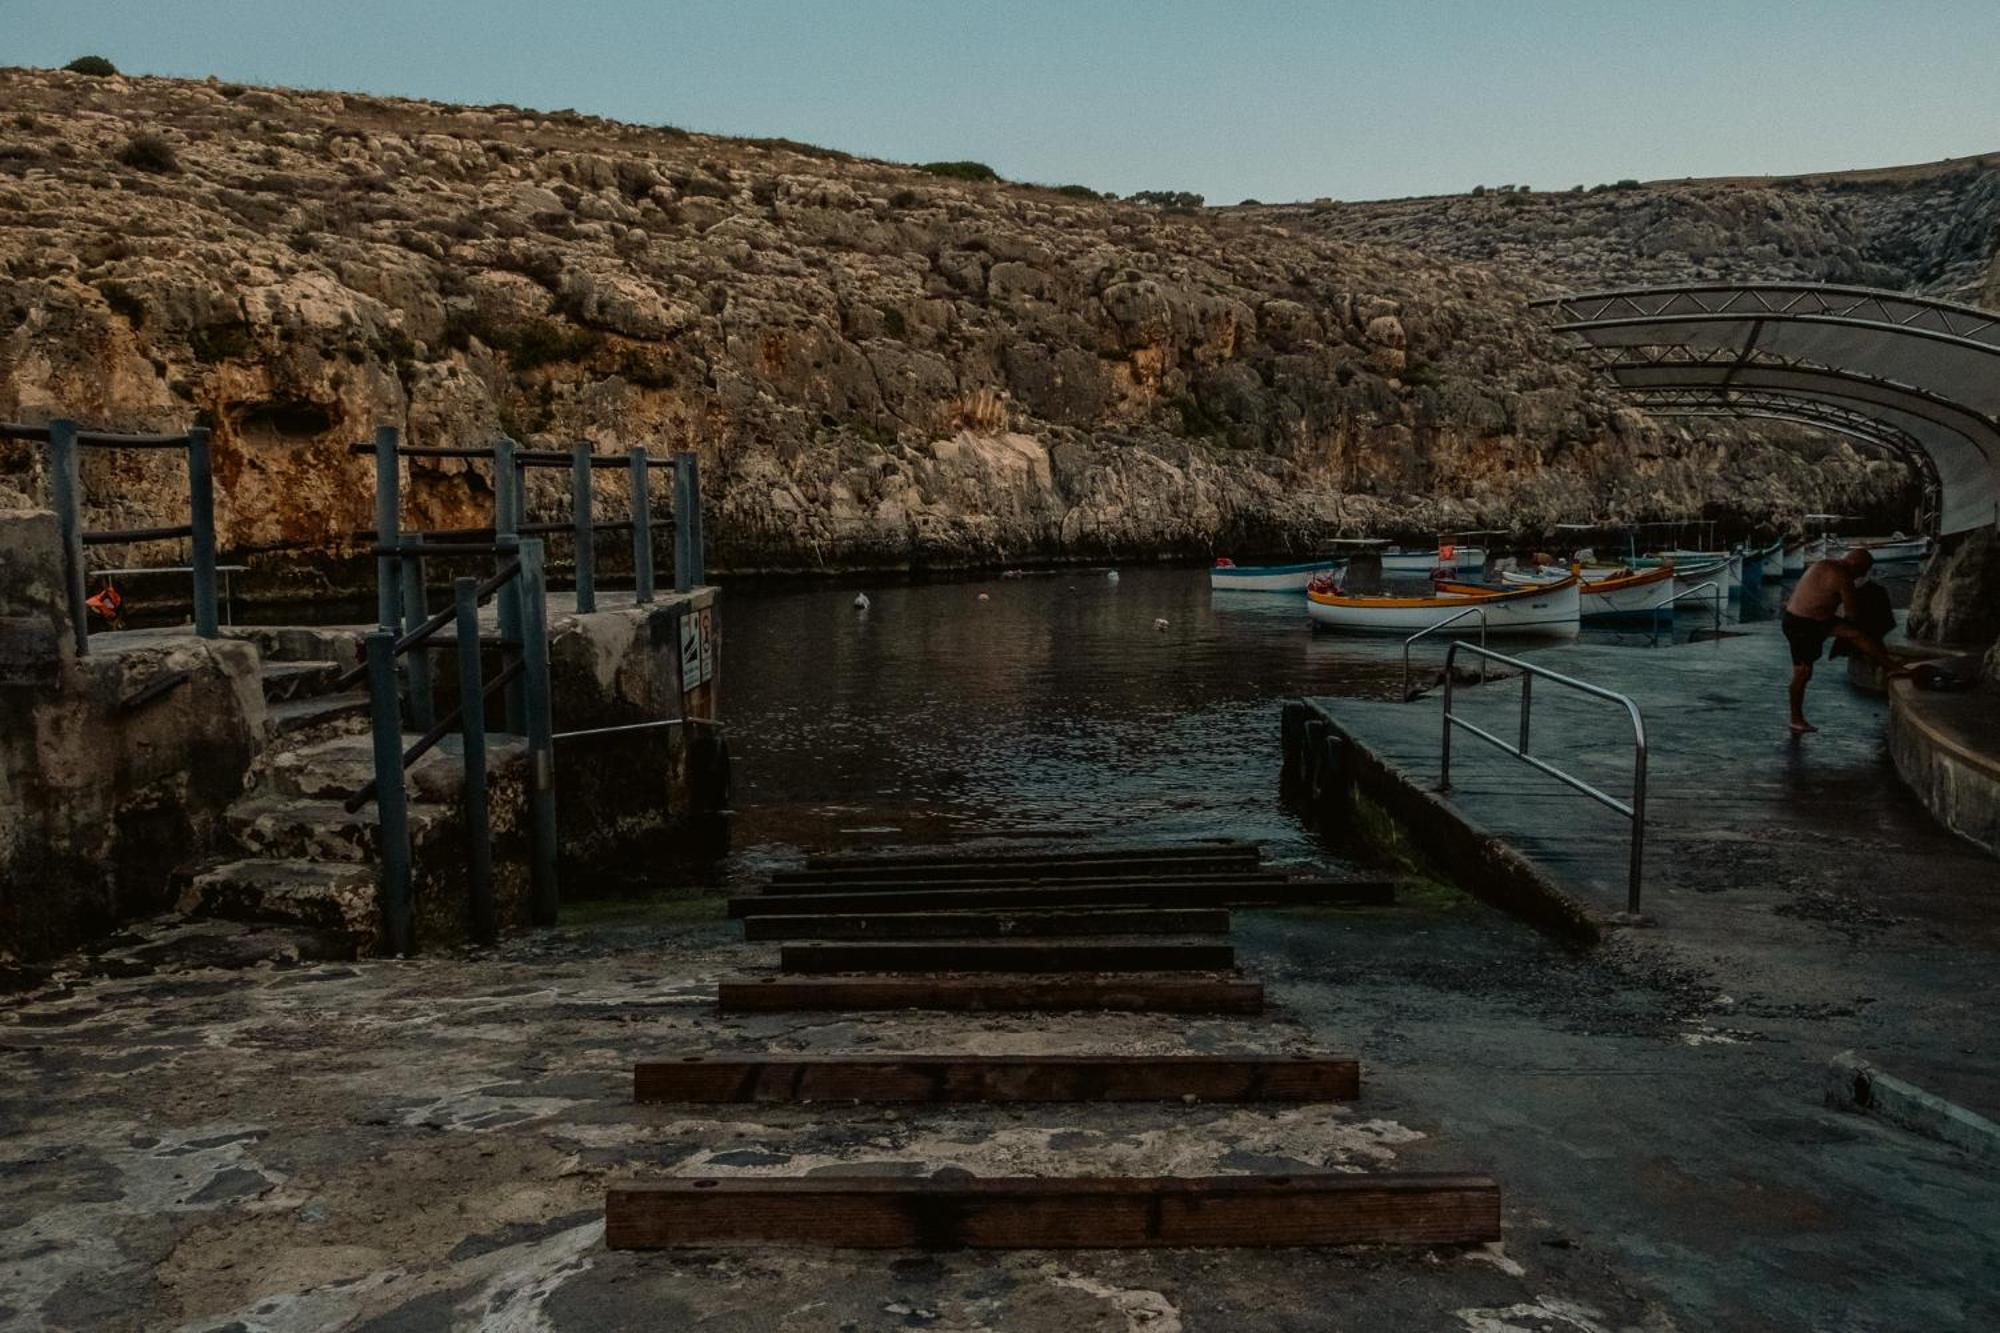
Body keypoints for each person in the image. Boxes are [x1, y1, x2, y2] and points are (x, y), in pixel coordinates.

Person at [1781, 548, 1898, 734]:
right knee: (1803, 672)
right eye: (1863, 571)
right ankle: (1796, 719)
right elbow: (1852, 614)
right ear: (1856, 566)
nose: (1862, 576)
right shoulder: (1844, 577)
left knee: (1857, 635)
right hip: (1801, 625)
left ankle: (1891, 667)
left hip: (1815, 620)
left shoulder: (1823, 564)